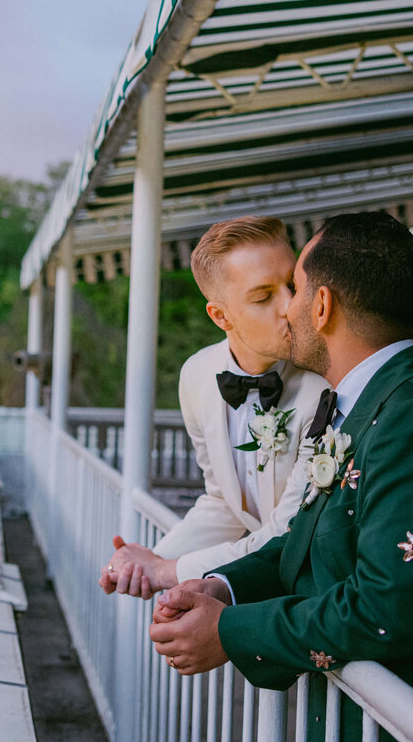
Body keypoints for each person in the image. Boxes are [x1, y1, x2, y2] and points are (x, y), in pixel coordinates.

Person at [148, 212, 413, 741]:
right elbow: (303, 542)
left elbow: (385, 606)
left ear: (321, 307)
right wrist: (223, 588)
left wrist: (230, 633)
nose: (286, 309)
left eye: (295, 288)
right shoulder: (363, 405)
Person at [99, 216, 326, 599]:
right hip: (251, 592)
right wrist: (152, 560)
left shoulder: (325, 387)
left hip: (310, 598)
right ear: (220, 316)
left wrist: (166, 571)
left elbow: (289, 531)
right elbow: (223, 500)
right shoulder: (196, 375)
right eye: (263, 296)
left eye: (292, 285)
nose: (290, 307)